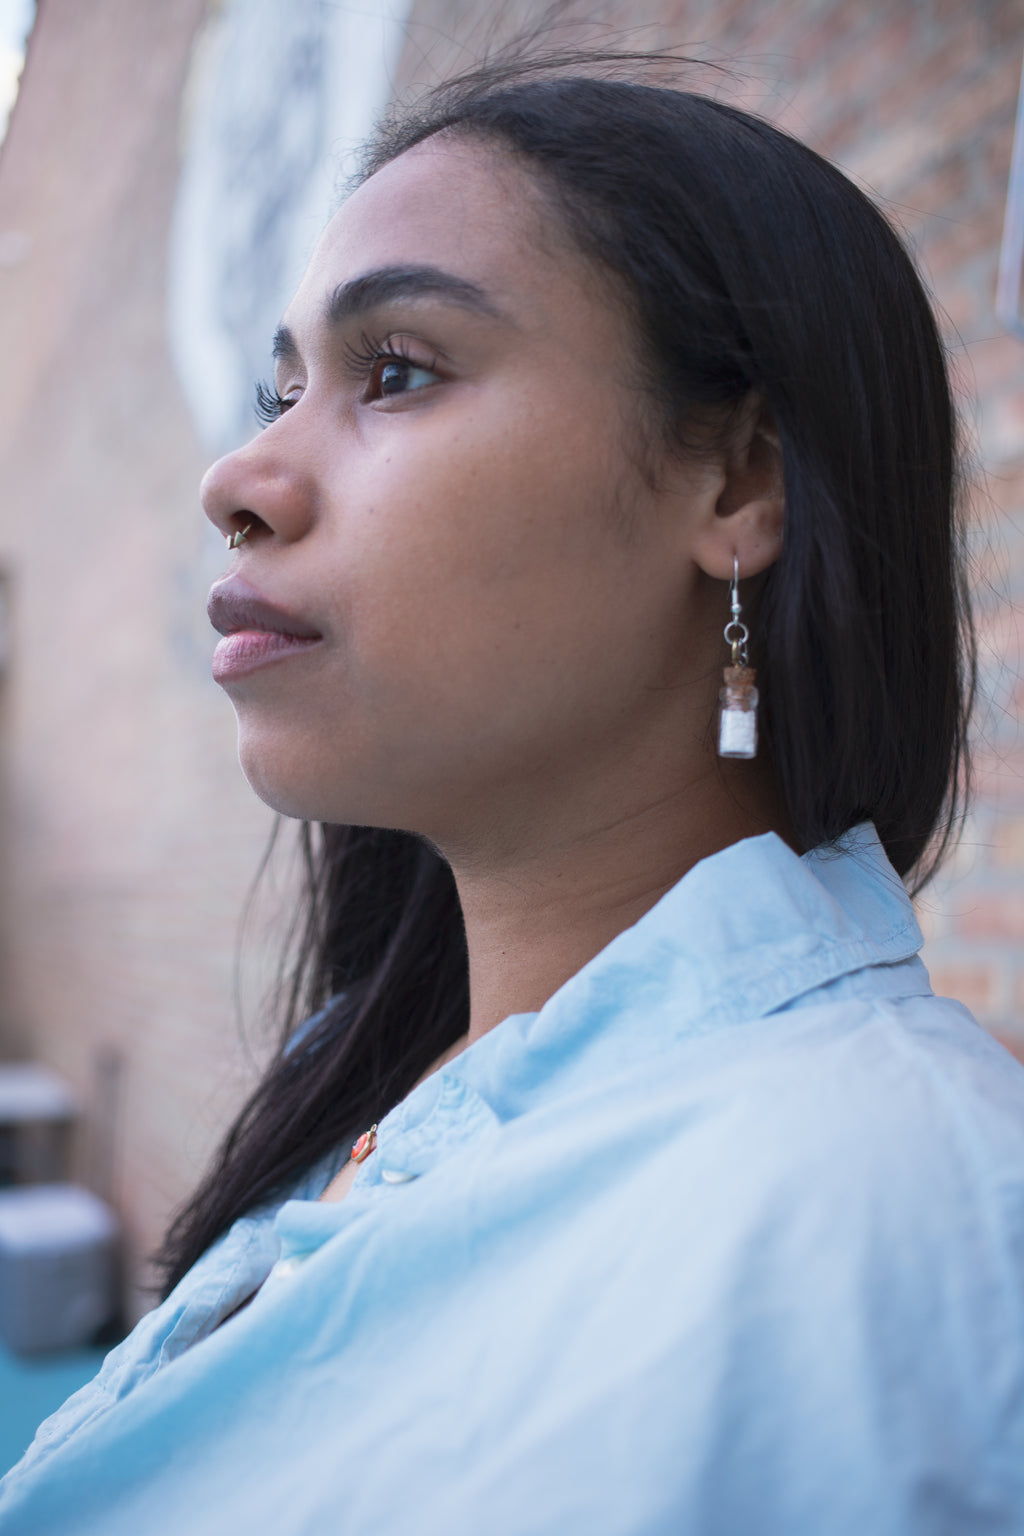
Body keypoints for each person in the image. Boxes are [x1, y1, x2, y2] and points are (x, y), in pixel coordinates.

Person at [2, 55, 1023, 1536]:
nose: (240, 475)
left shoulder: (906, 1229)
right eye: (280, 386)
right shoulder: (372, 1070)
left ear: (736, 485)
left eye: (396, 371)